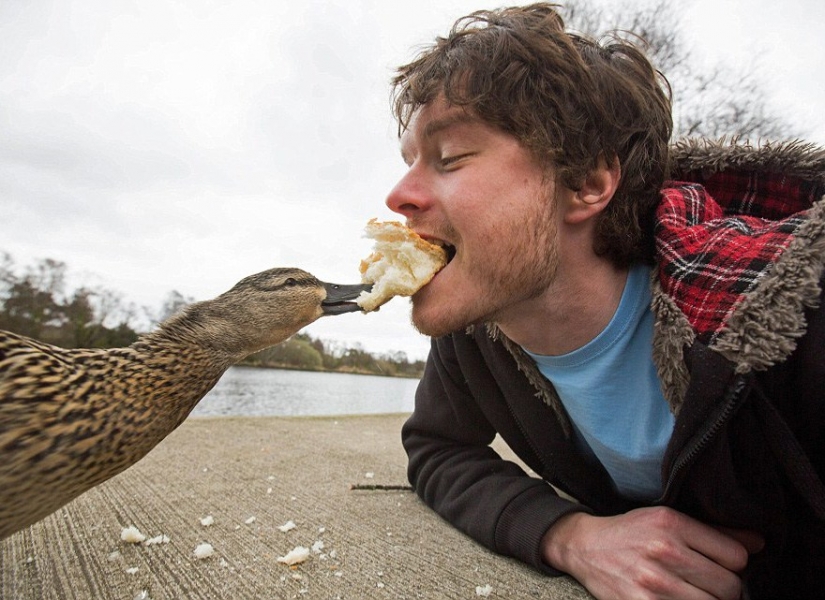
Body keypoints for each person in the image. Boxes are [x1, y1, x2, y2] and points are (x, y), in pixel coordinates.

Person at [383, 3, 825, 599]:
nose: (398, 196)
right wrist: (568, 534)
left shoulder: (786, 310)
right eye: (409, 162)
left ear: (588, 183)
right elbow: (437, 448)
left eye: (450, 158)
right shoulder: (479, 323)